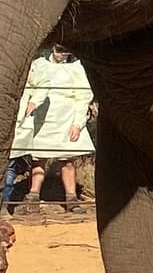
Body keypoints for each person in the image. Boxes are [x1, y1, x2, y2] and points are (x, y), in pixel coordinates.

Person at [10, 41, 96, 215]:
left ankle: (71, 199)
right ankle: (33, 197)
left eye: (66, 51)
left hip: (66, 119)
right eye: (59, 50)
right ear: (53, 49)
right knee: (38, 158)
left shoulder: (76, 68)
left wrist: (77, 124)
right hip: (42, 119)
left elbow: (83, 96)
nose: (62, 54)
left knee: (67, 160)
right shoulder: (39, 64)